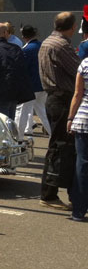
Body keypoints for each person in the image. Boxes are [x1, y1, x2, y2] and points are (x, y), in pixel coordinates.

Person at [39, 11, 80, 211]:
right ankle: (49, 194)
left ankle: (49, 193)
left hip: (53, 97)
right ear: (71, 27)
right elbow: (79, 70)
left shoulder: (47, 42)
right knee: (61, 147)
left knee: (56, 145)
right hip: (63, 98)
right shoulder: (62, 45)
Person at [0, 22, 34, 121]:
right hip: (14, 92)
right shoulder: (15, 48)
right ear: (6, 32)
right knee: (11, 120)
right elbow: (22, 70)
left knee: (2, 122)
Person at [17, 25, 51, 140]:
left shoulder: (27, 49)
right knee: (43, 112)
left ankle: (19, 137)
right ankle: (53, 135)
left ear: (24, 36)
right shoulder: (42, 46)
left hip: (31, 86)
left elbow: (22, 69)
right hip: (43, 84)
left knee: (23, 112)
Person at [68, 53, 88, 222]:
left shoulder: (85, 64)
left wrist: (70, 118)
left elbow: (77, 94)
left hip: (84, 120)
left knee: (82, 165)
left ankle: (79, 211)